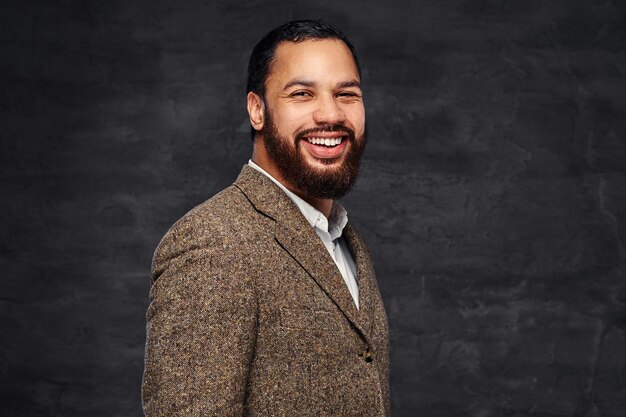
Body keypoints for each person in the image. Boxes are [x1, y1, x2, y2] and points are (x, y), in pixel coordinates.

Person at [142, 20, 389, 416]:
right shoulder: (212, 241)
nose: (331, 113)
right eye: (302, 94)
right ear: (257, 110)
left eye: (347, 94)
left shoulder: (344, 238)